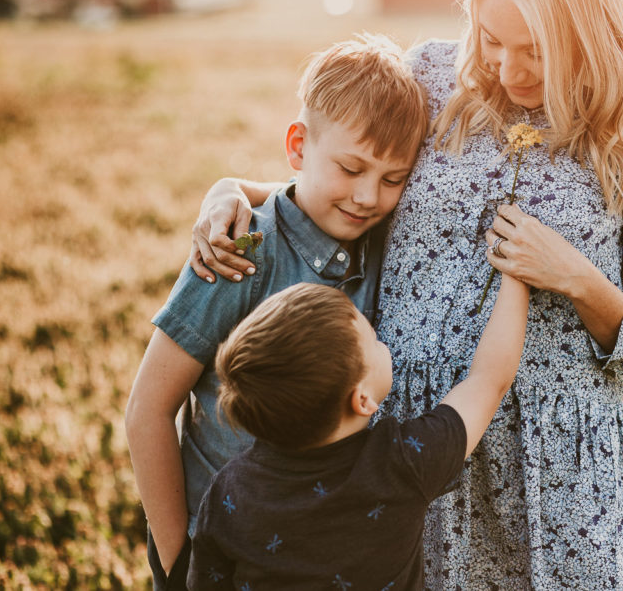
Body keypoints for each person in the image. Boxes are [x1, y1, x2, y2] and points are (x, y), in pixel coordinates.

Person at [189, 0, 623, 588]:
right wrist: (235, 189)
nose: (507, 67)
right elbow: (346, 180)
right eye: (491, 38)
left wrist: (578, 278)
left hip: (562, 475)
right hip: (414, 451)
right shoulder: (432, 78)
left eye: (536, 49)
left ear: (590, 28)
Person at [124, 34, 430, 591]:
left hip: (328, 563)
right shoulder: (240, 251)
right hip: (223, 558)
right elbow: (149, 407)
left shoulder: (386, 243)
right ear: (298, 146)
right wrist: (175, 566)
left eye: (392, 179)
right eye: (351, 168)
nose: (367, 196)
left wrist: (233, 185)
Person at [188, 274, 528, 589]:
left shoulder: (227, 491)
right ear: (362, 399)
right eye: (374, 339)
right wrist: (516, 277)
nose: (383, 344)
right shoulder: (401, 461)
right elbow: (488, 381)